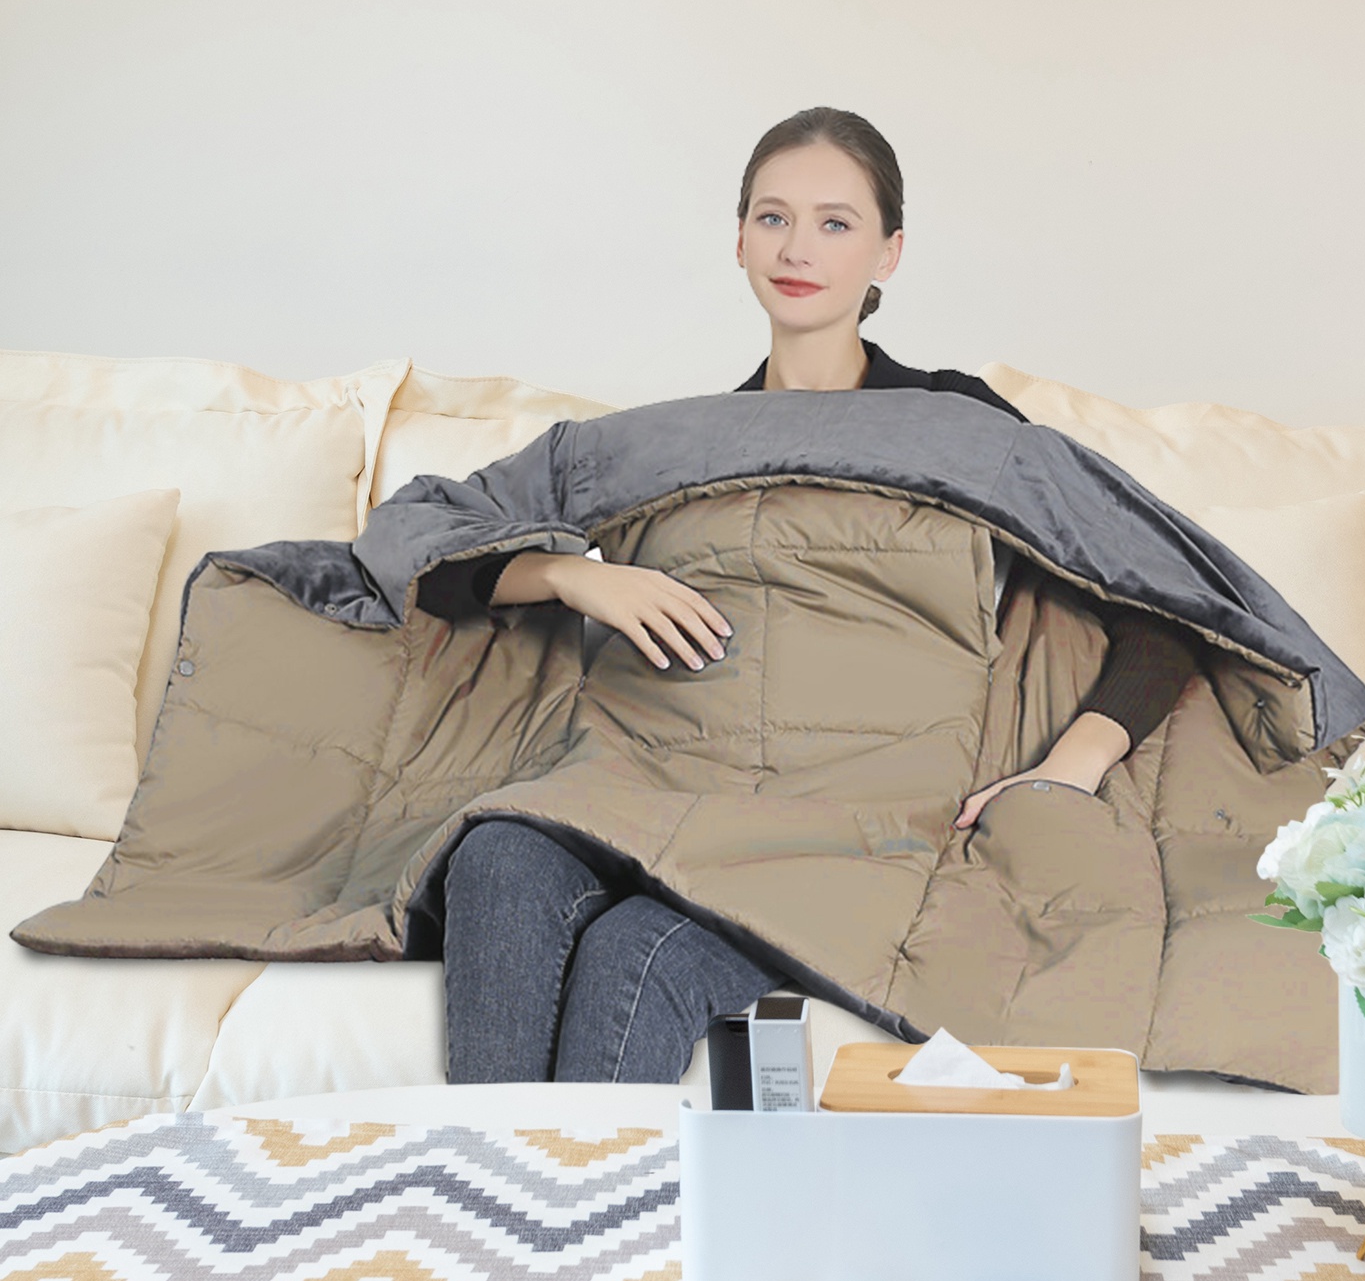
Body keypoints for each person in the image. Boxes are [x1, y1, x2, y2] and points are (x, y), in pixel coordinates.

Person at [442, 107, 1196, 1085]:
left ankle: (579, 1185)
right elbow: (437, 546)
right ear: (739, 240)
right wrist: (573, 573)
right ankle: (505, 1173)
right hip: (661, 784)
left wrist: (1067, 769)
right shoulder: (679, 446)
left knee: (640, 950)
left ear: (889, 253)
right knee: (497, 855)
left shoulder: (958, 424)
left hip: (853, 824)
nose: (797, 248)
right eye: (773, 218)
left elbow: (1165, 598)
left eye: (835, 224)